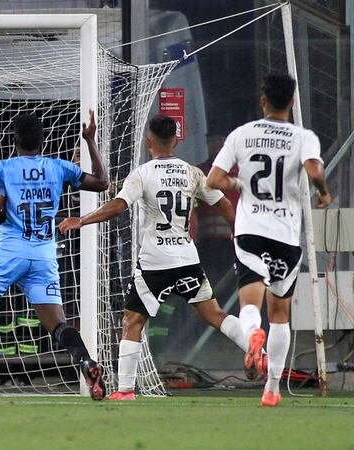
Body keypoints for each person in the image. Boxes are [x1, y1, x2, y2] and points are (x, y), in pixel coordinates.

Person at [60, 114, 254, 401]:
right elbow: (224, 203)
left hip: (154, 263)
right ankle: (254, 347)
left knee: (132, 322)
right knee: (215, 315)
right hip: (187, 259)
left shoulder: (143, 173)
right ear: (175, 140)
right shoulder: (192, 173)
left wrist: (83, 219)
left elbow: (117, 206)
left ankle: (125, 390)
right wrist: (238, 233)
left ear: (148, 141)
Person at [0, 111, 109, 402]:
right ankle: (85, 362)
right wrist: (90, 141)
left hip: (10, 250)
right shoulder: (59, 167)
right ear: (42, 141)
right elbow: (102, 182)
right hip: (43, 252)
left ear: (14, 139)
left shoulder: (3, 168)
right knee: (57, 323)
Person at [207, 73, 332, 407]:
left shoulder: (241, 134)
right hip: (285, 237)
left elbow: (214, 179)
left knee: (250, 305)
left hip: (250, 232)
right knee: (280, 314)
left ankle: (251, 337)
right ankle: (272, 389)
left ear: (263, 101)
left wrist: (235, 184)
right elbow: (315, 171)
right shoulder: (303, 137)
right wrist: (323, 192)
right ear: (292, 101)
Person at [195, 133, 238, 284]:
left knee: (230, 284)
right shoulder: (199, 172)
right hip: (206, 243)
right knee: (208, 283)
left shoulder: (239, 173)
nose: (214, 144)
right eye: (210, 140)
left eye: (219, 139)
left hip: (232, 242)